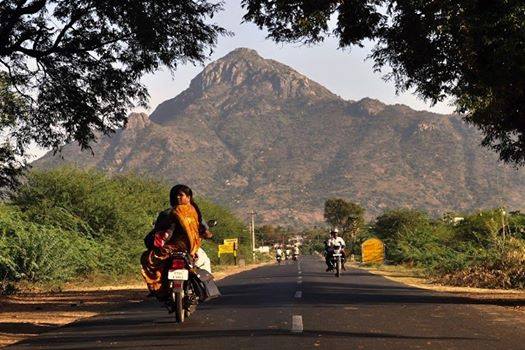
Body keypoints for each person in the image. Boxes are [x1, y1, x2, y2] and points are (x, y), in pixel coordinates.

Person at [141, 184, 213, 299]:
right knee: (204, 262)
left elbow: (156, 231)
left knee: (152, 262)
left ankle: (157, 288)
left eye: (181, 195)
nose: (178, 197)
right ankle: (205, 289)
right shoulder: (194, 213)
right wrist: (207, 234)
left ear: (188, 197)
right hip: (188, 248)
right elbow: (204, 230)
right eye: (176, 195)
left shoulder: (165, 213)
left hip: (168, 249)